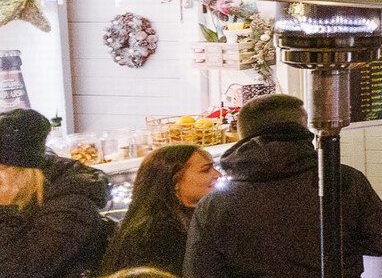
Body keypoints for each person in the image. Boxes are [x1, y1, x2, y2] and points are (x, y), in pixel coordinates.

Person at [186, 95, 382, 278]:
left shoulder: (215, 204)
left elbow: (200, 271)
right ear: (303, 127)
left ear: (242, 133)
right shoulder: (343, 179)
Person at [0, 108, 109, 278]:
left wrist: (6, 211)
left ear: (17, 170)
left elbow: (20, 271)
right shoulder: (25, 196)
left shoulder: (71, 208)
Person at [102, 144, 220, 274]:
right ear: (175, 181)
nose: (217, 174)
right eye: (206, 170)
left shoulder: (195, 218)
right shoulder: (155, 234)